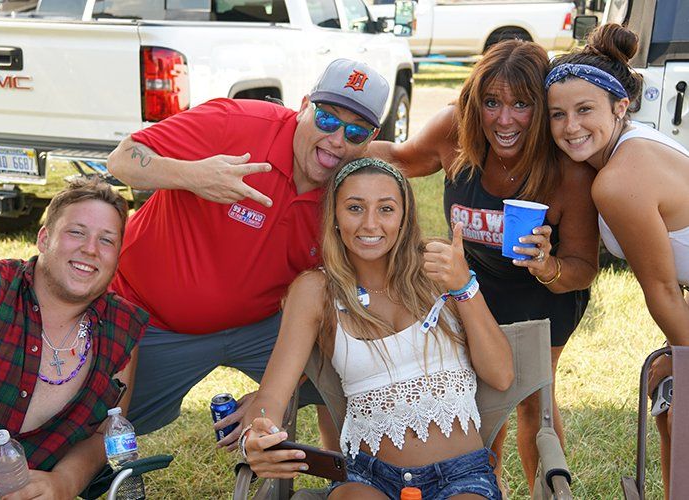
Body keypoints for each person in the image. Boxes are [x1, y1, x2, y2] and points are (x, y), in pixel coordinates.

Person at [106, 58, 389, 449]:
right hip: (153, 319)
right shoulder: (235, 123)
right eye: (326, 119)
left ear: (370, 138)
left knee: (360, 378)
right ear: (304, 105)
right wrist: (194, 176)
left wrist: (270, 396)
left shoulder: (351, 188)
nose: (338, 139)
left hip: (262, 326)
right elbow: (122, 158)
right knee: (102, 422)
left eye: (356, 131)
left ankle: (345, 469)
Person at [367, 39, 599, 492]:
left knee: (535, 403)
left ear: (543, 106)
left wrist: (547, 265)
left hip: (543, 296)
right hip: (474, 288)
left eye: (522, 104)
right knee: (475, 400)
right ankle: (480, 488)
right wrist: (334, 140)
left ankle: (543, 491)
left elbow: (583, 268)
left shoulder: (568, 171)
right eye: (492, 102)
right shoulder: (458, 131)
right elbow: (399, 158)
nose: (504, 119)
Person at [239, 158, 513, 498]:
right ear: (335, 217)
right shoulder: (316, 291)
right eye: (355, 208)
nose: (370, 224)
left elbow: (501, 374)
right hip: (369, 478)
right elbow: (271, 396)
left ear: (404, 217)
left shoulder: (438, 270)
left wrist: (464, 287)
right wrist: (256, 431)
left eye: (386, 209)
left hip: (461, 476)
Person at [546, 23, 689, 498]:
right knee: (669, 396)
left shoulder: (618, 180)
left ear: (620, 106)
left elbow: (663, 292)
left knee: (680, 399)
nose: (571, 127)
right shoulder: (634, 143)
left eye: (585, 110)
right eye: (557, 114)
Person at [0, 178, 148, 499]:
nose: (90, 249)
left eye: (106, 240)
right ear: (43, 238)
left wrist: (65, 482)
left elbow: (106, 432)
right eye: (76, 232)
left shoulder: (121, 334)